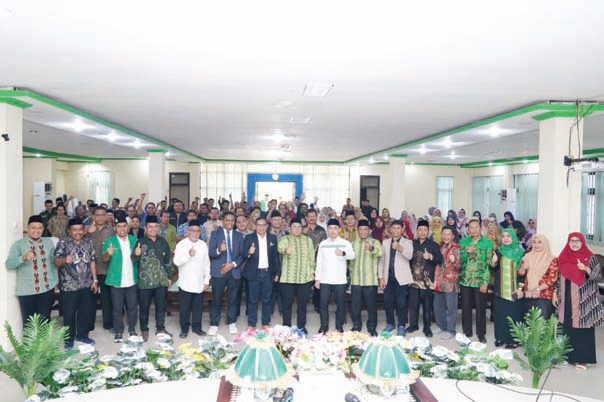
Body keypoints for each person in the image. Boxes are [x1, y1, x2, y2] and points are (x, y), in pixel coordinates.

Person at [554, 233, 604, 370]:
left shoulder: (591, 257)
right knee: (566, 326)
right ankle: (565, 356)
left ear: (582, 242)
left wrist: (586, 269)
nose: (575, 243)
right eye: (572, 241)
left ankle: (583, 360)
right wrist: (555, 293)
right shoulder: (563, 257)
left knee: (583, 328)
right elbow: (559, 277)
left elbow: (598, 276)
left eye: (578, 241)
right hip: (566, 296)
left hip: (584, 299)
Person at [54, 217, 99, 349]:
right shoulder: (63, 243)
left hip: (86, 284)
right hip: (69, 286)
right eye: (75, 230)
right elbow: (55, 261)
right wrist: (64, 260)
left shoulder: (88, 242)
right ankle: (68, 340)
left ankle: (82, 336)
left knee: (85, 312)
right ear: (69, 231)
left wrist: (95, 280)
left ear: (83, 230)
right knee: (69, 314)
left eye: (80, 229)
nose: (78, 232)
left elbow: (92, 261)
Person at [5, 215, 58, 325]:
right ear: (28, 228)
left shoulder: (49, 243)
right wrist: (23, 258)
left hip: (47, 290)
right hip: (27, 292)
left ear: (43, 229)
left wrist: (55, 283)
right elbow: (9, 264)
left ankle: (44, 343)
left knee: (45, 322)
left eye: (39, 228)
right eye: (33, 228)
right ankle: (29, 343)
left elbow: (53, 264)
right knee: (29, 324)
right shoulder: (18, 245)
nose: (36, 231)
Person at [131, 216, 173, 341]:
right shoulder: (140, 242)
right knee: (144, 307)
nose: (153, 229)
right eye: (150, 227)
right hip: (145, 282)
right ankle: (144, 330)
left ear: (158, 228)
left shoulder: (163, 241)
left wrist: (169, 277)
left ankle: (160, 328)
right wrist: (135, 254)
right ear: (145, 228)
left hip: (161, 280)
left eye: (155, 227)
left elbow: (167, 261)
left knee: (161, 306)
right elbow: (133, 260)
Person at [315, 218, 355, 334]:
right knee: (323, 305)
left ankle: (339, 326)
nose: (332, 231)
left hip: (339, 280)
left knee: (340, 305)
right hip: (325, 279)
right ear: (327, 229)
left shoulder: (345, 243)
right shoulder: (323, 244)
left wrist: (342, 253)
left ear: (339, 230)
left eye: (335, 228)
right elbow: (319, 262)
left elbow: (352, 256)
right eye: (330, 228)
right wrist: (317, 279)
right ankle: (324, 326)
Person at [103, 216, 139, 342]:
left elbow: (138, 259)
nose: (122, 229)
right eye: (119, 226)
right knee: (117, 308)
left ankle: (132, 330)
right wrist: (109, 253)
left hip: (132, 280)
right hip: (116, 281)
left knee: (132, 307)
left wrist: (138, 254)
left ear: (128, 228)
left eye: (124, 226)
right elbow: (104, 259)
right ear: (115, 228)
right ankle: (119, 331)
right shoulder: (109, 241)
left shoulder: (134, 240)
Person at [208, 211, 244, 335]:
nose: (230, 222)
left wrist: (232, 264)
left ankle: (231, 322)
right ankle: (214, 323)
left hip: (234, 271)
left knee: (233, 299)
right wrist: (219, 249)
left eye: (232, 221)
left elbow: (242, 255)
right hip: (219, 271)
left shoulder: (239, 236)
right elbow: (211, 253)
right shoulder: (215, 234)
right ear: (223, 221)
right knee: (216, 298)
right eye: (227, 220)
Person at [173, 220, 211, 338]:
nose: (195, 233)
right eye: (192, 231)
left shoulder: (203, 245)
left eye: (197, 231)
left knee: (197, 308)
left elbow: (207, 264)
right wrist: (189, 255)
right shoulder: (181, 244)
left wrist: (206, 281)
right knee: (184, 308)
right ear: (188, 231)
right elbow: (176, 262)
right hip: (185, 282)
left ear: (200, 232)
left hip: (199, 282)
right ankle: (184, 329)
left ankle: (197, 328)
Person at [277, 218, 315, 333]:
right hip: (288, 279)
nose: (297, 229)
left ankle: (301, 327)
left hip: (304, 278)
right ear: (289, 228)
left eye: (299, 227)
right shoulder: (285, 239)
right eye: (294, 227)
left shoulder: (308, 240)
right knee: (287, 305)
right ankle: (286, 327)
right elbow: (280, 248)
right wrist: (285, 250)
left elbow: (311, 257)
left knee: (302, 305)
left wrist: (312, 271)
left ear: (302, 229)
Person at [459, 218, 493, 343]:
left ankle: (481, 333)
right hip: (465, 280)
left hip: (480, 281)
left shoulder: (487, 243)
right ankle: (467, 332)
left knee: (481, 307)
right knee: (466, 307)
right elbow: (460, 260)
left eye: (476, 227)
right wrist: (466, 253)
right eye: (471, 228)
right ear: (468, 230)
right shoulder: (464, 242)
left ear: (480, 229)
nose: (473, 230)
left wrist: (485, 282)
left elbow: (489, 264)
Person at [242, 217, 280, 329]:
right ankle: (252, 324)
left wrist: (277, 272)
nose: (261, 227)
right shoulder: (249, 238)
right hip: (254, 273)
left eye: (263, 225)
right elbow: (244, 254)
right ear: (255, 226)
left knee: (267, 299)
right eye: (259, 225)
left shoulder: (272, 238)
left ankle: (265, 323)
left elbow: (275, 257)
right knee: (252, 300)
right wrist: (249, 252)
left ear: (267, 226)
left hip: (268, 273)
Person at [378, 220, 414, 336]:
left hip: (401, 278)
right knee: (388, 301)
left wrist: (400, 247)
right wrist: (381, 277)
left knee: (401, 303)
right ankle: (390, 323)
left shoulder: (407, 242)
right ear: (390, 229)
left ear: (402, 229)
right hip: (388, 277)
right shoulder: (385, 242)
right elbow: (381, 261)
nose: (396, 231)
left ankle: (402, 325)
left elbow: (409, 256)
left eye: (398, 228)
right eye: (394, 228)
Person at [408, 219, 443, 337]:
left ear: (428, 231)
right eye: (420, 230)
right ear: (417, 231)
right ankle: (413, 325)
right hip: (413, 280)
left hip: (427, 281)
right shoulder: (411, 244)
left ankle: (427, 327)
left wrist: (431, 256)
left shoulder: (433, 245)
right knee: (413, 305)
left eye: (425, 230)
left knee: (427, 305)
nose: (422, 232)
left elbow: (440, 259)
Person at [349, 219, 382, 336]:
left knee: (371, 305)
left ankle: (372, 326)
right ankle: (357, 325)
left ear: (369, 231)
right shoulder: (353, 244)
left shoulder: (375, 242)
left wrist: (371, 248)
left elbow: (379, 253)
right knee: (355, 305)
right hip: (356, 280)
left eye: (365, 229)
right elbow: (350, 261)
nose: (363, 232)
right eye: (360, 229)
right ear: (358, 231)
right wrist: (351, 274)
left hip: (370, 280)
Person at [491, 229, 523, 349]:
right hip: (501, 288)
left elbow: (524, 273)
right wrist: (493, 262)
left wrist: (520, 288)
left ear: (514, 237)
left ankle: (514, 340)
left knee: (514, 315)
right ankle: (500, 337)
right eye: (503, 236)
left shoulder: (521, 252)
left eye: (509, 236)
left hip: (514, 289)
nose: (506, 238)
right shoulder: (499, 252)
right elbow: (493, 269)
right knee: (500, 315)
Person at [86, 206, 115, 333]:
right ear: (93, 217)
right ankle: (89, 324)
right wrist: (87, 231)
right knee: (90, 299)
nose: (100, 217)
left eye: (103, 215)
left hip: (106, 269)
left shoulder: (111, 230)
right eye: (97, 215)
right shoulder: (88, 229)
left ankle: (108, 324)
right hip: (89, 270)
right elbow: (76, 236)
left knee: (106, 298)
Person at [518, 234, 558, 320]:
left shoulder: (552, 258)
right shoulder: (527, 256)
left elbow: (552, 279)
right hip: (529, 294)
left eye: (540, 242)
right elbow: (521, 274)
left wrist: (538, 289)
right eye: (534, 242)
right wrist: (522, 268)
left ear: (545, 244)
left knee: (541, 325)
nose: (536, 245)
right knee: (529, 323)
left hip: (544, 296)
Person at [433, 225, 461, 340]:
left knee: (451, 308)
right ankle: (441, 326)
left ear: (453, 236)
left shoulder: (456, 248)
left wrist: (455, 261)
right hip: (439, 282)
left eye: (448, 234)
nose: (446, 236)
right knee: (438, 306)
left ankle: (451, 330)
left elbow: (459, 266)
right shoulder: (441, 247)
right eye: (444, 234)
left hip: (450, 282)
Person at [304, 209, 327, 314]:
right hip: (305, 261)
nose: (312, 218)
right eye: (310, 216)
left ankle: (317, 305)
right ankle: (303, 305)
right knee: (304, 285)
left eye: (314, 216)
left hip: (319, 261)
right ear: (306, 217)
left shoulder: (322, 230)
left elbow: (325, 245)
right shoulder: (303, 230)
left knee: (318, 285)